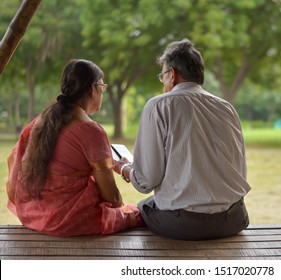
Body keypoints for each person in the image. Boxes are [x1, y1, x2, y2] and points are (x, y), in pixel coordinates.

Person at [114, 39, 250, 240]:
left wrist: (124, 168)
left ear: (172, 74)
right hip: (234, 219)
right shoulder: (226, 108)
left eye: (162, 76)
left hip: (185, 224)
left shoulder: (159, 106)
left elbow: (146, 182)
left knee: (145, 205)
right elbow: (240, 170)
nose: (163, 83)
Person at [6, 59, 142, 236]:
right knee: (138, 213)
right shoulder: (91, 130)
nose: (103, 92)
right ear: (94, 88)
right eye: (103, 87)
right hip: (66, 220)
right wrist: (121, 213)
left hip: (33, 213)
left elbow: (15, 158)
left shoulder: (43, 119)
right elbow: (113, 198)